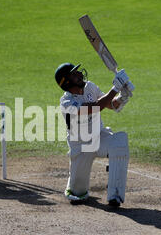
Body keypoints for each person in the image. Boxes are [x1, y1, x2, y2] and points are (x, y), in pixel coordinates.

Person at [55, 62, 134, 207]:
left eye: (77, 72)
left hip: (99, 137)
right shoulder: (66, 103)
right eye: (74, 74)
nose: (79, 74)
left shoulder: (90, 86)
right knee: (78, 194)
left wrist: (122, 96)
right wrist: (115, 88)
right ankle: (73, 182)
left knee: (120, 143)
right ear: (66, 82)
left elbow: (109, 104)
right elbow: (95, 107)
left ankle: (115, 196)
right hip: (81, 147)